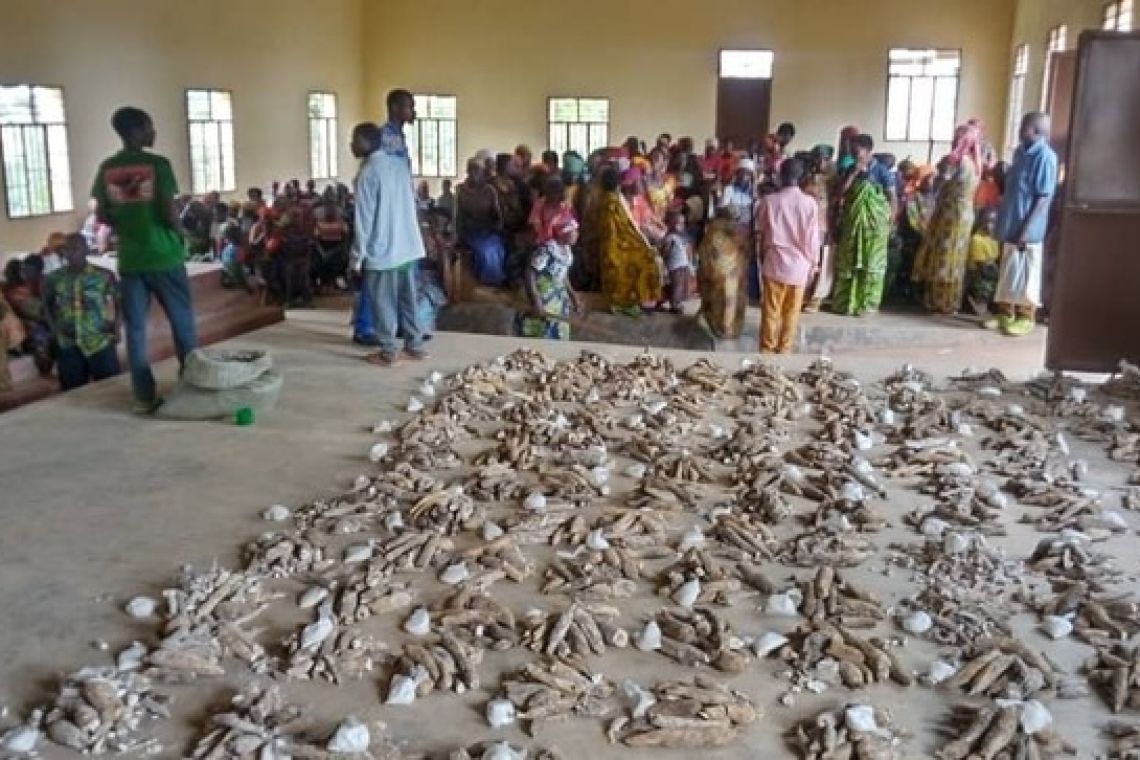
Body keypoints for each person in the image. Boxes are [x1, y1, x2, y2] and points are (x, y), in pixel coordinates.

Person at [91, 107, 195, 413]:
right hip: (163, 255)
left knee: (136, 330)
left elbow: (102, 214)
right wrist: (179, 236)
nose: (154, 132)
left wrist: (128, 223)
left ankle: (143, 396)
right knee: (182, 323)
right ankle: (190, 385)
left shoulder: (108, 168)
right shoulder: (157, 164)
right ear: (137, 130)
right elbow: (168, 208)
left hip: (131, 260)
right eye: (150, 126)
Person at [350, 91, 428, 366]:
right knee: (408, 297)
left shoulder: (367, 173)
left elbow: (364, 219)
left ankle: (388, 351)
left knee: (383, 301)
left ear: (364, 143)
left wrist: (357, 258)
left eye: (354, 140)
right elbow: (409, 201)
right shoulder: (397, 164)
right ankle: (415, 345)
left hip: (383, 248)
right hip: (407, 244)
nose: (351, 145)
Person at [987, 111, 1058, 337]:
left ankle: (1025, 317)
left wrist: (1027, 229)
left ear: (1036, 131)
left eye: (1023, 127)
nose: (1019, 131)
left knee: (1027, 271)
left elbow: (1044, 197)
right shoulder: (1020, 153)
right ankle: (1005, 313)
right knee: (1009, 270)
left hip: (1029, 228)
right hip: (1011, 222)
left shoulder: (1045, 157)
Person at [912, 122, 983, 315]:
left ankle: (938, 301)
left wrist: (937, 179)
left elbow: (938, 185)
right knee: (957, 258)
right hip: (966, 213)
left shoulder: (954, 161)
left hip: (950, 212)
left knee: (942, 254)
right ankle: (952, 302)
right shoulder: (975, 163)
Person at [756, 158, 820, 354]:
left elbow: (762, 232)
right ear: (801, 177)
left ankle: (767, 352)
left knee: (770, 312)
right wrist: (814, 264)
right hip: (799, 267)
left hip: (774, 263)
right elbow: (811, 239)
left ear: (780, 175)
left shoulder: (768, 201)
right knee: (792, 313)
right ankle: (784, 351)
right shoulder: (809, 203)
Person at [43, 234, 122, 391]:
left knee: (111, 390)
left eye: (76, 248)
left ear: (86, 250)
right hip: (68, 344)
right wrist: (54, 329)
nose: (72, 253)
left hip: (98, 341)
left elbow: (120, 300)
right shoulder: (54, 279)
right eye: (68, 249)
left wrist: (116, 326)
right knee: (73, 393)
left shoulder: (103, 275)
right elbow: (47, 304)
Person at [831, 134, 893, 317]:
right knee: (848, 263)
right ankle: (845, 304)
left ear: (868, 150)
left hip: (874, 227)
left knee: (871, 264)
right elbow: (841, 194)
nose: (852, 153)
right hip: (853, 224)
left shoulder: (882, 171)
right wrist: (853, 174)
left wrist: (891, 221)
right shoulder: (850, 168)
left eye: (856, 150)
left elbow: (892, 197)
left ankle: (867, 304)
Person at [597, 167, 660, 315]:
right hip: (615, 246)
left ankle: (637, 299)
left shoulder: (613, 198)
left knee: (647, 253)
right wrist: (641, 242)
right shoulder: (612, 201)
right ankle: (636, 300)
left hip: (616, 242)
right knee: (647, 258)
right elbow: (623, 228)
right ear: (618, 183)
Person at [517, 218, 582, 341]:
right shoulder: (547, 250)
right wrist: (536, 300)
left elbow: (563, 275)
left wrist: (573, 296)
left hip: (559, 297)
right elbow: (530, 273)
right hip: (544, 294)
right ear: (564, 233)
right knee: (541, 328)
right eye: (574, 231)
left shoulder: (566, 251)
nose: (577, 234)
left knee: (558, 329)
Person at [698, 207, 748, 338]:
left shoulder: (711, 231)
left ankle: (719, 326)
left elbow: (705, 252)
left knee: (716, 301)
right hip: (733, 274)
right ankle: (729, 328)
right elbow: (744, 252)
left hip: (716, 274)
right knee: (731, 301)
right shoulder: (738, 232)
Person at [456, 157, 507, 286]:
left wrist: (496, 225)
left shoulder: (489, 190)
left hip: (489, 230)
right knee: (485, 250)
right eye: (472, 170)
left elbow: (497, 215)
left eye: (478, 171)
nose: (475, 174)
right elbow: (458, 216)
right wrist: (458, 234)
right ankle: (487, 283)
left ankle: (494, 281)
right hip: (471, 231)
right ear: (468, 171)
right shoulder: (461, 191)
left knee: (497, 249)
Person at [802, 145, 835, 312]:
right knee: (807, 259)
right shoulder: (806, 177)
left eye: (824, 159)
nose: (820, 162)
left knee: (822, 261)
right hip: (807, 225)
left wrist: (831, 228)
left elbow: (834, 205)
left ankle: (816, 298)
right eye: (817, 158)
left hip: (823, 226)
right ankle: (804, 295)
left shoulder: (833, 180)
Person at [965, 208, 1001, 315]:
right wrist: (999, 276)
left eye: (994, 221)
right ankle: (977, 300)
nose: (990, 225)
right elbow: (982, 267)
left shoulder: (996, 238)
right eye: (987, 221)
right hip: (977, 273)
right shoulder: (976, 239)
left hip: (991, 268)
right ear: (981, 222)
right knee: (987, 281)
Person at [659, 210, 692, 313]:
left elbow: (686, 250)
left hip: (682, 264)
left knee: (681, 285)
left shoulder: (680, 237)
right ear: (671, 224)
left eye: (683, 223)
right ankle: (674, 305)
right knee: (676, 285)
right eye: (679, 223)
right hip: (675, 266)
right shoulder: (670, 238)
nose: (682, 226)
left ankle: (677, 302)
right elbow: (665, 251)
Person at [529, 175, 575, 245]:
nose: (555, 196)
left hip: (562, 246)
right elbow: (534, 226)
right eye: (552, 192)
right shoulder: (540, 204)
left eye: (557, 192)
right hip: (543, 245)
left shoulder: (566, 206)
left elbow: (572, 227)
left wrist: (569, 235)